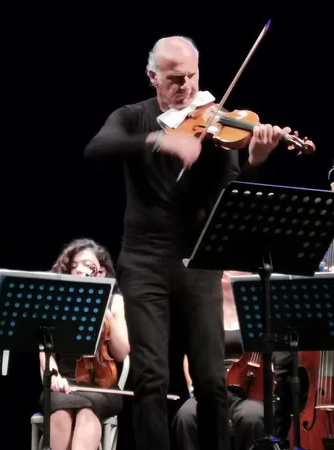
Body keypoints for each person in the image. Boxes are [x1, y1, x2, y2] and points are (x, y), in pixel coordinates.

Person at [84, 36, 295, 450]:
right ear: (153, 77)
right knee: (151, 377)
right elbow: (96, 149)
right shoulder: (133, 117)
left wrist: (254, 160)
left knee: (212, 380)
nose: (186, 87)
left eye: (192, 76)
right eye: (175, 78)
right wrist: (160, 140)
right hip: (144, 260)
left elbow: (232, 193)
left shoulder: (216, 121)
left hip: (197, 260)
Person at [39, 239, 130, 450]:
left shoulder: (115, 301)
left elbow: (122, 352)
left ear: (101, 271)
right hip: (63, 382)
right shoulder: (55, 301)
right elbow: (46, 352)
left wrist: (105, 313)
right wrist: (54, 377)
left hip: (102, 385)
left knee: (87, 410)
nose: (80, 270)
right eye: (74, 266)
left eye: (88, 265)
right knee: (60, 410)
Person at [173, 271, 264, 450]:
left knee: (252, 417)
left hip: (247, 389)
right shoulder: (204, 308)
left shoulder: (257, 308)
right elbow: (190, 353)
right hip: (210, 383)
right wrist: (193, 387)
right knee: (186, 415)